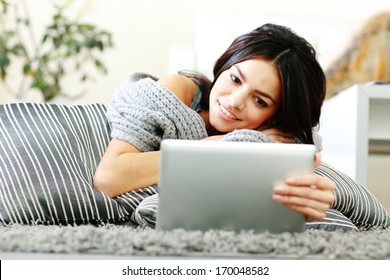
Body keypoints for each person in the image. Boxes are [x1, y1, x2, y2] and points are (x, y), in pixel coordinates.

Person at [93, 23, 336, 223]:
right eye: (235, 79)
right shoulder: (178, 90)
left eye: (260, 101)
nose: (235, 101)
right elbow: (109, 178)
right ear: (225, 65)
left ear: (275, 116)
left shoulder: (270, 141)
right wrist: (218, 146)